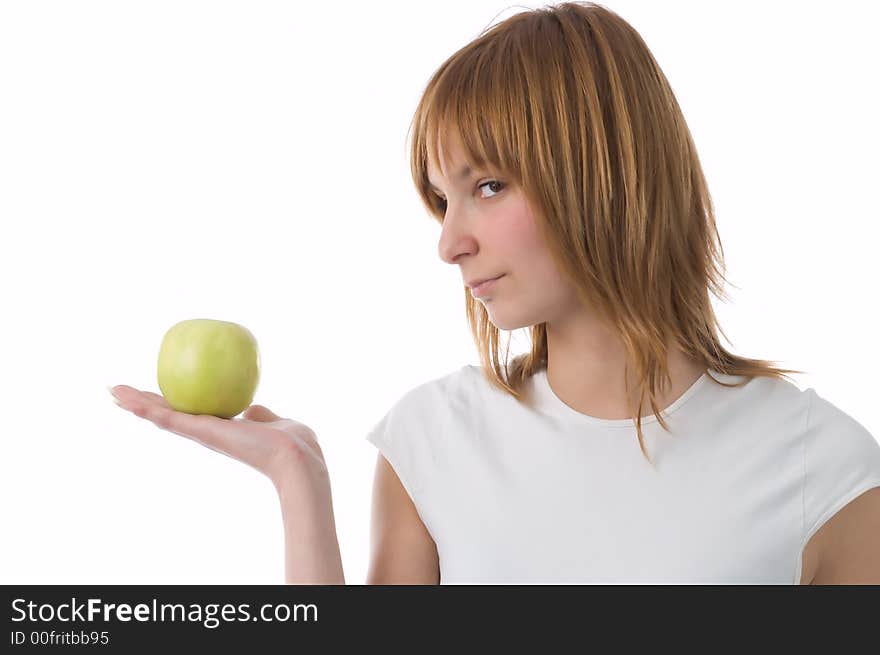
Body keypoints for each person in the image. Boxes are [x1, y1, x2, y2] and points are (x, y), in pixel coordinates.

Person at [110, 2, 880, 584]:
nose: (451, 242)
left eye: (487, 185)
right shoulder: (432, 444)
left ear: (603, 169)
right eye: (443, 199)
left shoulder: (826, 469)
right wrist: (297, 479)